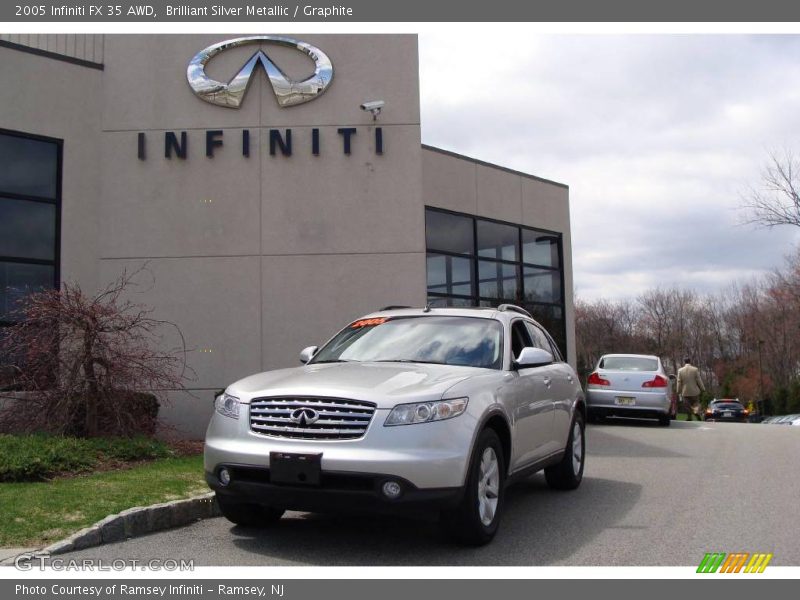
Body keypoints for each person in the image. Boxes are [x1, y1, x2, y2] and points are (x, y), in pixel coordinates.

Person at [677, 357, 705, 421]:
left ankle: (689, 417)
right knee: (696, 404)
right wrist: (703, 388)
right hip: (694, 391)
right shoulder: (695, 369)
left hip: (685, 391)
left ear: (684, 362)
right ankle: (696, 412)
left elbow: (679, 381)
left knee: (687, 405)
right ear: (690, 361)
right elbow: (699, 380)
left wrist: (678, 391)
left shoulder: (680, 370)